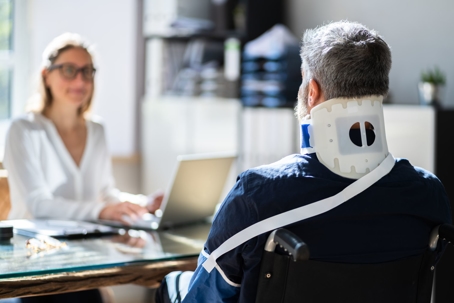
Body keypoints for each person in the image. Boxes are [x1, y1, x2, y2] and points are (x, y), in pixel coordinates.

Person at [155, 20, 452, 303]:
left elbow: (204, 296)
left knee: (172, 286)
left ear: (312, 91)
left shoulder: (257, 197)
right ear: (380, 91)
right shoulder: (428, 195)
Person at [1, 33, 163, 303]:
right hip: (35, 266)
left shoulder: (96, 130)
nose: (80, 80)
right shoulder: (23, 130)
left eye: (87, 71)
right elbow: (40, 205)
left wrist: (141, 205)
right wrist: (103, 210)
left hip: (85, 261)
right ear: (46, 75)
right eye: (69, 70)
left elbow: (104, 193)